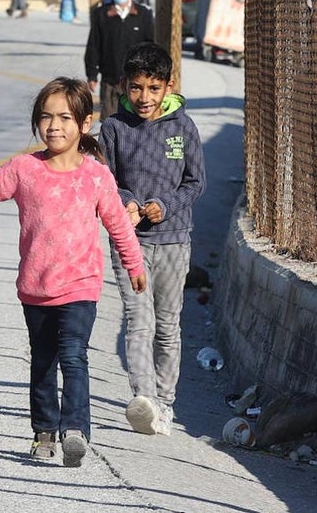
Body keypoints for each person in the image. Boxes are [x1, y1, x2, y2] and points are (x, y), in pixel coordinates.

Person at [0, 77, 146, 467]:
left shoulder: (96, 176)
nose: (54, 126)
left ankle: (75, 429)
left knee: (74, 356)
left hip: (80, 286)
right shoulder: (24, 169)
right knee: (43, 361)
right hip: (36, 287)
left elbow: (118, 223)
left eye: (64, 118)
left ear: (85, 123)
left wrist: (134, 263)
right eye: (46, 117)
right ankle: (44, 431)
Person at [99, 42, 206, 437]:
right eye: (136, 88)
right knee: (138, 321)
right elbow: (104, 179)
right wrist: (126, 201)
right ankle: (143, 400)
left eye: (154, 88)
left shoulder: (184, 128)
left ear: (168, 86)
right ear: (124, 86)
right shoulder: (113, 128)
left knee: (167, 326)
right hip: (130, 242)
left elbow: (196, 182)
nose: (144, 97)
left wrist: (166, 205)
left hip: (175, 240)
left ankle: (165, 402)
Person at [84, 0, 155, 119]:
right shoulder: (101, 14)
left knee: (135, 121)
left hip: (136, 81)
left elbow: (151, 46)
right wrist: (92, 74)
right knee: (109, 122)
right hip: (110, 79)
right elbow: (93, 45)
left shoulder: (143, 14)